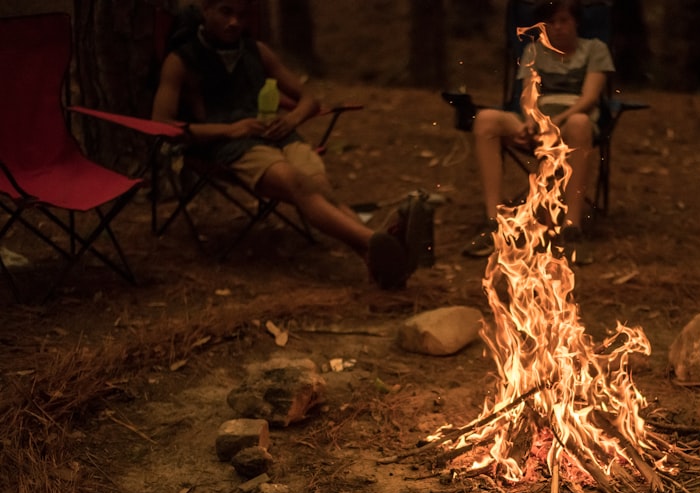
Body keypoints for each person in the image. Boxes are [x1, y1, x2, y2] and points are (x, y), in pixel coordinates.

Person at [152, 0, 419, 289]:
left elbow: (309, 99)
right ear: (206, 10)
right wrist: (230, 129)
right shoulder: (181, 60)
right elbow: (162, 123)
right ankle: (375, 241)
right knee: (297, 182)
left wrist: (291, 120)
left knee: (319, 184)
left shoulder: (257, 51)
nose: (234, 23)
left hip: (280, 135)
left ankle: (376, 258)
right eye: (226, 12)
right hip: (232, 146)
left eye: (241, 15)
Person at [464, 0, 614, 264]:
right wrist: (531, 121)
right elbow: (527, 96)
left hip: (572, 122)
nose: (557, 27)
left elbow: (589, 98)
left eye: (564, 20)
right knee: (486, 119)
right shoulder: (535, 50)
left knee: (579, 124)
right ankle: (494, 224)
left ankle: (571, 229)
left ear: (576, 22)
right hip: (538, 119)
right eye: (551, 22)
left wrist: (553, 123)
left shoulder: (595, 49)